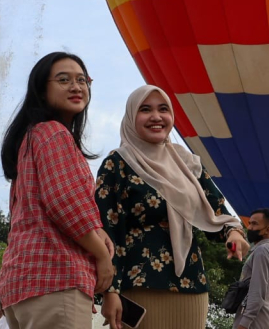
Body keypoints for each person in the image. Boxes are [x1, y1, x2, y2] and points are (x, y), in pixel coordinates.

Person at [96, 85, 250, 329]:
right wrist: (110, 291)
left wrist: (233, 233)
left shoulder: (187, 163)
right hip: (138, 285)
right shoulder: (118, 164)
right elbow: (107, 231)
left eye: (163, 109)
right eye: (145, 110)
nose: (156, 117)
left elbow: (216, 211)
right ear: (131, 116)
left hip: (191, 284)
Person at [0, 52, 115, 329]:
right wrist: (102, 256)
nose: (76, 87)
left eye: (82, 80)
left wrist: (97, 229)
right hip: (56, 277)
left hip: (21, 283)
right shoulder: (54, 133)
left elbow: (22, 219)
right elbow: (64, 205)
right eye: (63, 80)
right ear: (41, 89)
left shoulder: (30, 138)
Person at [233, 208, 269, 329]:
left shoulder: (262, 251)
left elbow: (257, 292)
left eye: (255, 224)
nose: (249, 228)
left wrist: (243, 325)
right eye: (249, 223)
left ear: (267, 230)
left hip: (255, 324)